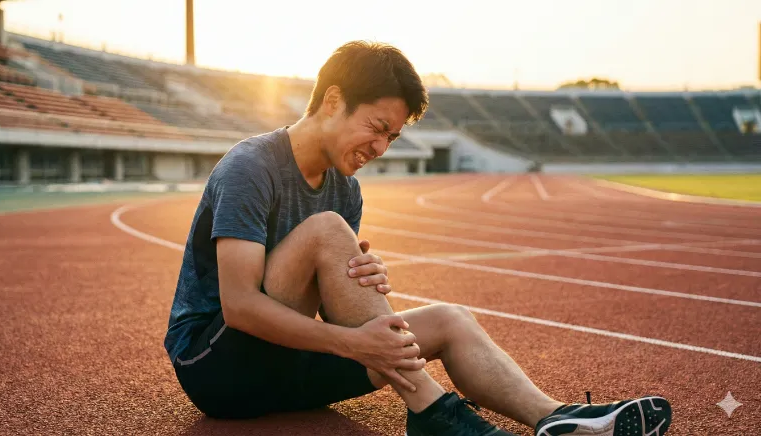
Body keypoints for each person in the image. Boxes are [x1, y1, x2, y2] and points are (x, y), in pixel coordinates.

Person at [164, 41, 672, 436]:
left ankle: (556, 419)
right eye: (377, 127)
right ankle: (432, 409)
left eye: (393, 137)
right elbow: (240, 308)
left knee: (451, 319)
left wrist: (356, 286)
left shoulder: (347, 192)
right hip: (217, 372)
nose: (382, 147)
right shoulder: (251, 167)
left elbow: (318, 306)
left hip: (285, 367)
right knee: (324, 232)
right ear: (334, 100)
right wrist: (355, 338)